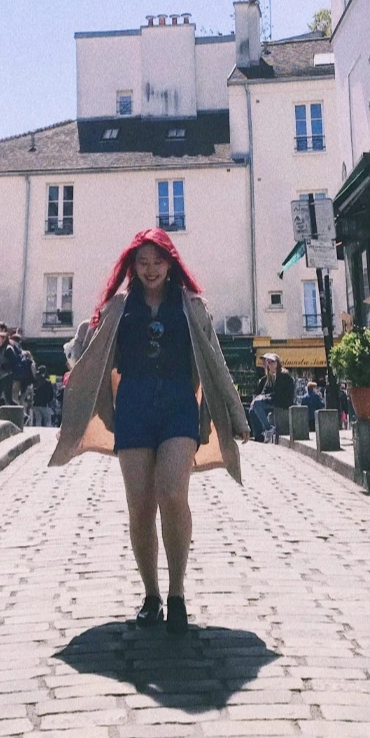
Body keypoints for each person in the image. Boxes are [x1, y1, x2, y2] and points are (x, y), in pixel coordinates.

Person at [51, 228, 249, 636]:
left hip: (178, 406)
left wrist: (236, 414)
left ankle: (177, 593)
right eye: (142, 262)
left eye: (158, 261)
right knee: (140, 505)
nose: (151, 269)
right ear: (133, 266)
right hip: (134, 408)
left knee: (172, 492)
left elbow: (215, 361)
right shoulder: (118, 307)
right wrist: (75, 411)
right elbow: (88, 357)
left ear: (171, 263)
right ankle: (151, 595)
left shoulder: (192, 306)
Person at [248, 353, 295, 442]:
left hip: (283, 401)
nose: (270, 364)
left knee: (257, 404)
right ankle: (259, 435)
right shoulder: (270, 376)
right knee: (252, 409)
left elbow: (279, 393)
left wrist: (261, 399)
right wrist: (258, 398)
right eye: (269, 362)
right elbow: (264, 391)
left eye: (272, 362)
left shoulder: (283, 375)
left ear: (277, 363)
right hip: (274, 400)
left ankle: (268, 429)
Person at [0, 325, 16, 412]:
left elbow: (13, 364)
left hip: (7, 376)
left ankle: (22, 414)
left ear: (3, 339)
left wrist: (0, 366)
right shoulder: (0, 349)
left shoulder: (9, 349)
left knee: (8, 398)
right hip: (0, 376)